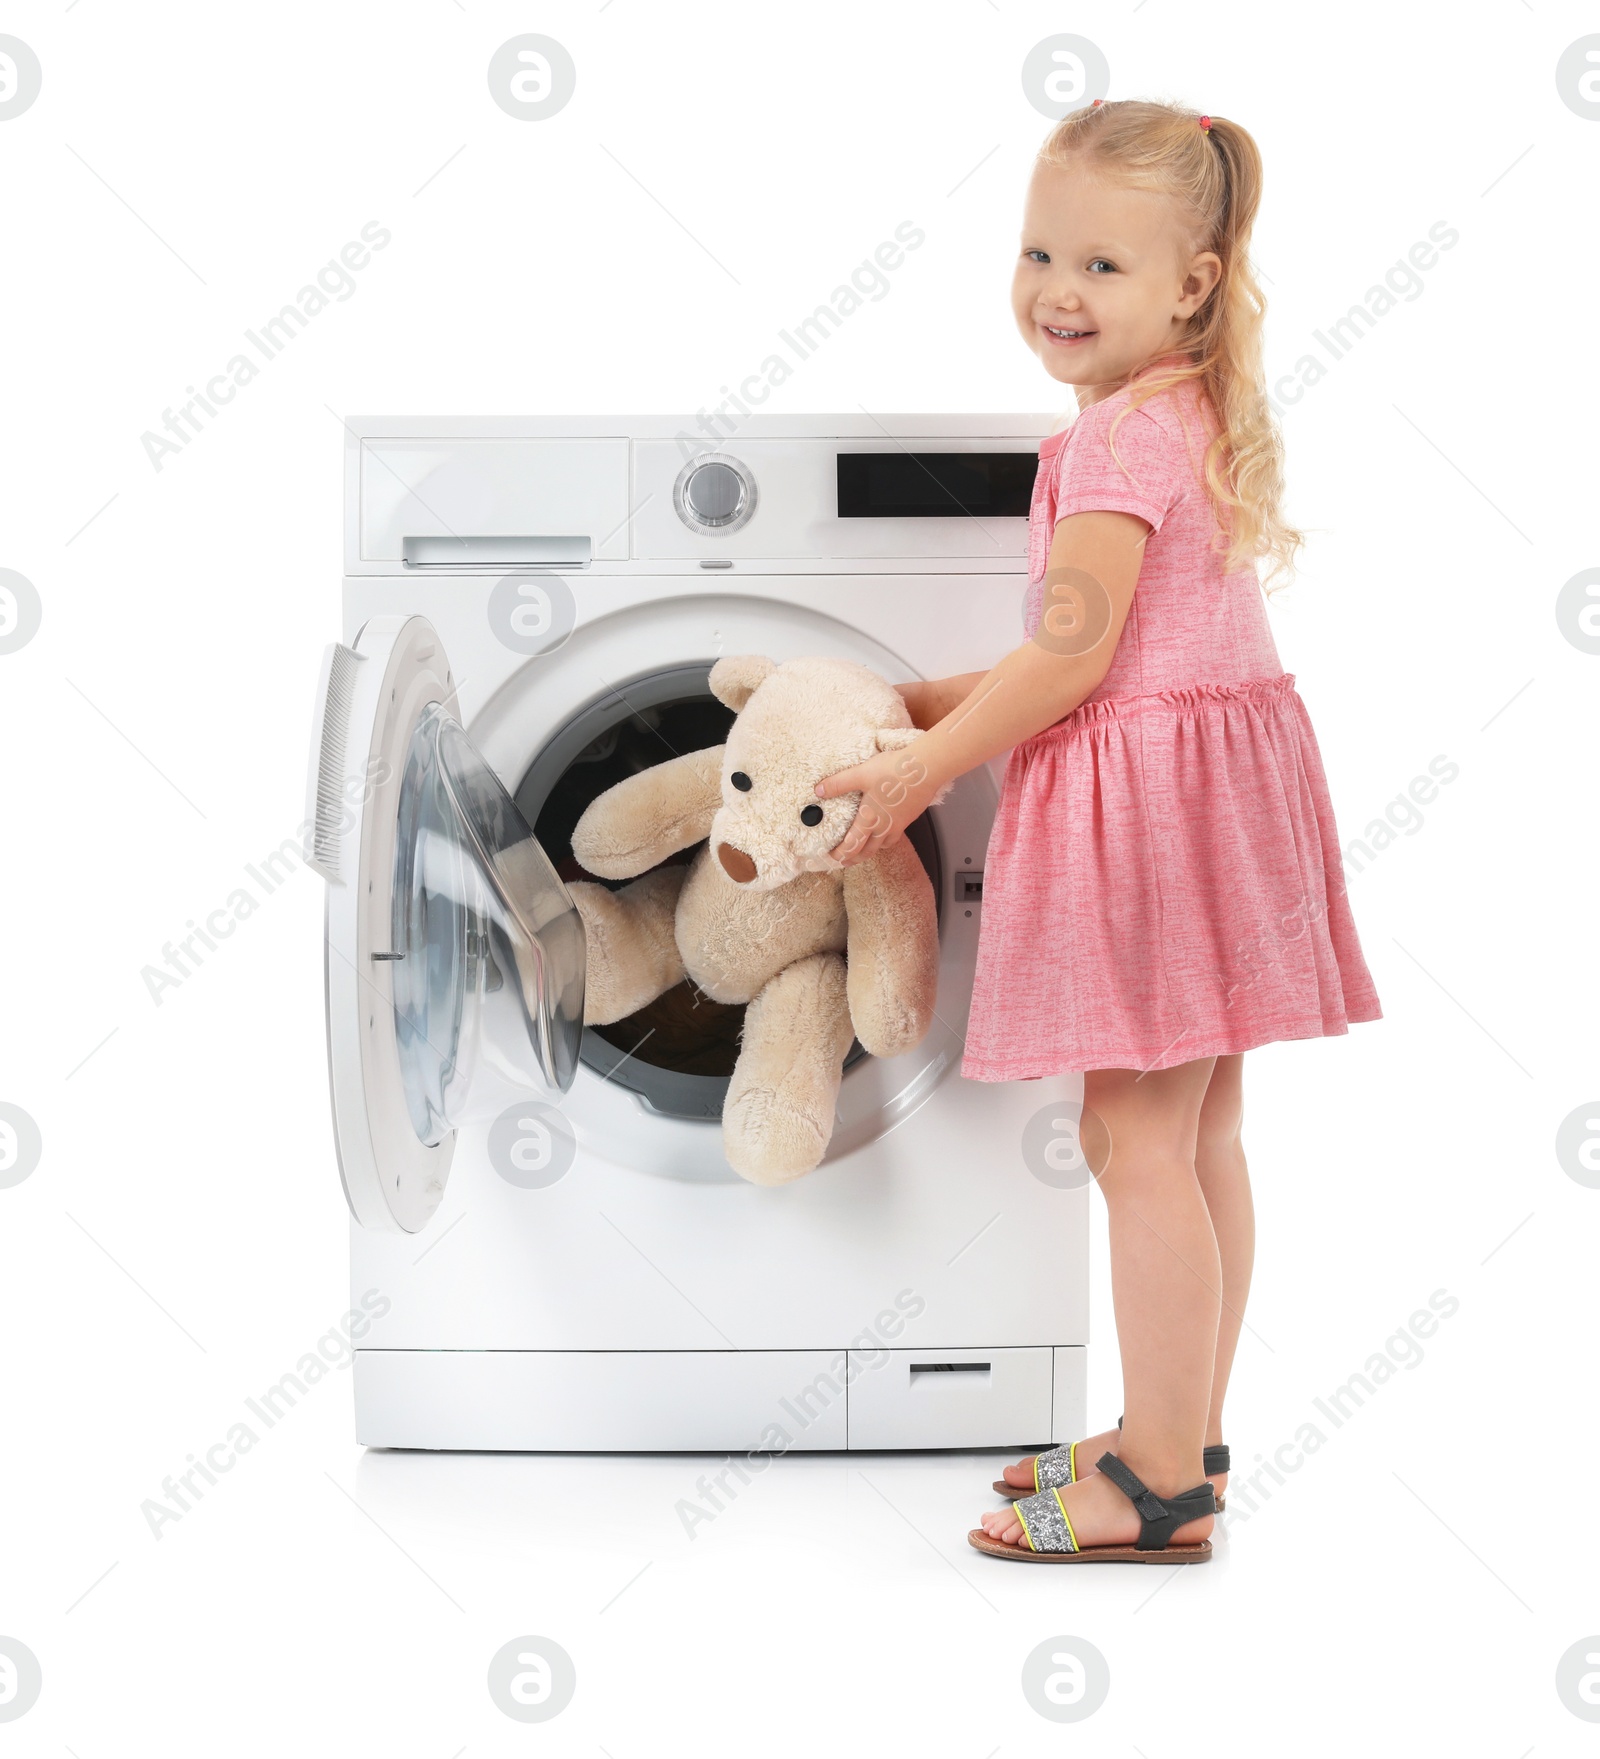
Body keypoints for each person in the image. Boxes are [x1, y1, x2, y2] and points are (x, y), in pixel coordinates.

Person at [814, 98, 1381, 1564]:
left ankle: (1161, 1488)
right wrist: (928, 702)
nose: (1059, 292)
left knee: (1132, 1136)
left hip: (1157, 823)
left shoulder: (1116, 446)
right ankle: (1173, 1437)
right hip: (1221, 804)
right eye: (1038, 252)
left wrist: (918, 763)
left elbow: (1071, 664)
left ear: (1190, 282)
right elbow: (1098, 649)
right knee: (1199, 1135)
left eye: (1104, 268)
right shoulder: (1176, 410)